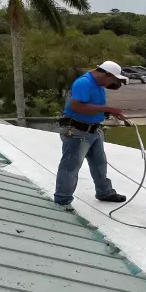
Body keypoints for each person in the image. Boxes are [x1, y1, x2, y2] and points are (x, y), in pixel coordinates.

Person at [55, 60, 128, 208]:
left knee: (99, 164)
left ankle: (104, 192)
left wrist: (109, 112)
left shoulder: (97, 85)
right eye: (113, 80)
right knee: (70, 166)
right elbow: (77, 107)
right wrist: (107, 109)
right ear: (106, 74)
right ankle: (62, 201)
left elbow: (93, 106)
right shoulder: (84, 83)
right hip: (77, 131)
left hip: (93, 131)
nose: (112, 84)